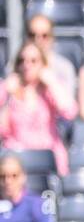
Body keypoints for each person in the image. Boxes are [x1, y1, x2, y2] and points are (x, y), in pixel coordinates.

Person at [0, 43, 77, 174]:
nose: (26, 65)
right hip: (17, 159)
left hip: (47, 155)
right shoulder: (6, 88)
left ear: (43, 64)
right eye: (22, 60)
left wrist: (52, 82)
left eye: (33, 61)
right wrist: (8, 97)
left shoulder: (50, 89)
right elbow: (2, 129)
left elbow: (69, 112)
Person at [25, 15, 78, 105]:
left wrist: (52, 83)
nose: (38, 40)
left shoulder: (64, 67)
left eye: (44, 35)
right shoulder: (19, 66)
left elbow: (69, 108)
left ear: (52, 38)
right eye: (32, 35)